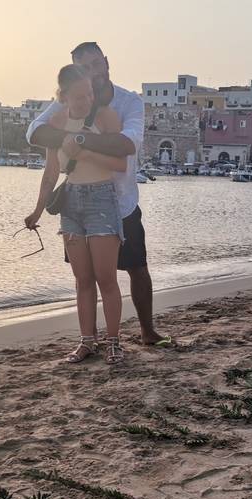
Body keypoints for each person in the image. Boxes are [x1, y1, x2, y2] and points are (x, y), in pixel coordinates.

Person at [27, 42, 171, 347]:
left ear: (106, 62)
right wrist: (73, 138)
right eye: (85, 68)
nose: (94, 72)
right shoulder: (70, 102)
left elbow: (127, 145)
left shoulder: (129, 102)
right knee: (85, 277)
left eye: (96, 64)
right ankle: (88, 340)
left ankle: (147, 330)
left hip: (122, 200)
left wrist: (78, 141)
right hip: (78, 202)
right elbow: (35, 132)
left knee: (137, 268)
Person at [26, 65, 127, 364]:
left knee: (106, 278)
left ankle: (113, 342)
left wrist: (85, 153)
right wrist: (37, 210)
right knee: (82, 279)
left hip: (102, 199)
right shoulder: (56, 123)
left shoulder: (105, 117)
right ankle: (86, 342)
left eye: (89, 94)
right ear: (63, 96)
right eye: (79, 96)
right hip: (71, 203)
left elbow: (121, 163)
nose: (86, 101)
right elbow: (51, 172)